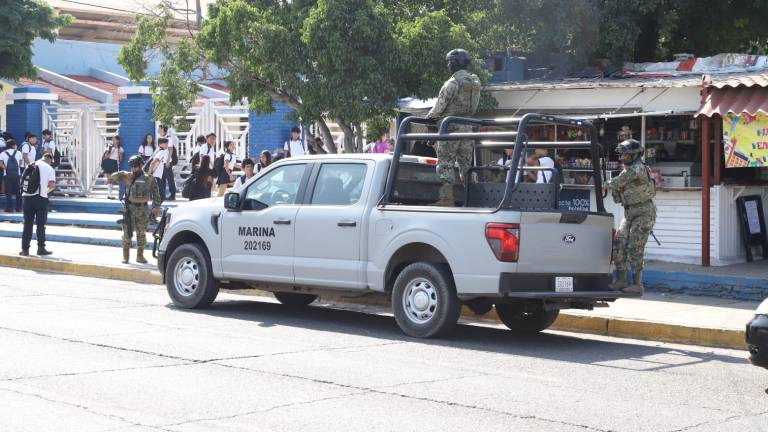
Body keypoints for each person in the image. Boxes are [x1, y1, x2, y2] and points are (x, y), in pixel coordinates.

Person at [426, 48, 481, 206]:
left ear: (454, 63)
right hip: (468, 128)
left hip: (450, 128)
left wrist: (428, 120)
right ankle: (474, 199)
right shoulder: (474, 81)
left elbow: (438, 108)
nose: (448, 66)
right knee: (466, 165)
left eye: (450, 62)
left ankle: (447, 199)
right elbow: (474, 106)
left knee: (445, 163)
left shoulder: (452, 82)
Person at [607, 139, 657, 294]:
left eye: (625, 155)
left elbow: (618, 182)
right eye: (621, 154)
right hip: (630, 213)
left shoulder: (637, 168)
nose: (622, 157)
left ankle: (637, 284)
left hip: (643, 212)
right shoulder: (628, 169)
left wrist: (604, 182)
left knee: (635, 246)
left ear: (635, 155)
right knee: (619, 243)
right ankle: (621, 280)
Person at [108, 155, 162, 264]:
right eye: (132, 166)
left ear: (141, 165)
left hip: (143, 209)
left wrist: (156, 208)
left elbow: (156, 194)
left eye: (136, 166)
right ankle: (125, 257)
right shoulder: (128, 177)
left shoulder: (149, 178)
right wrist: (122, 173)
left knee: (141, 233)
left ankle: (140, 256)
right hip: (129, 209)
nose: (134, 169)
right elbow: (111, 179)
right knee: (127, 233)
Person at [19, 152, 56, 256]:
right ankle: (41, 248)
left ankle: (25, 249)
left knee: (27, 224)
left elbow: (23, 181)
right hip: (40, 198)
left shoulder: (31, 164)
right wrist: (45, 192)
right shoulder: (49, 168)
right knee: (40, 224)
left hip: (26, 198)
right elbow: (52, 185)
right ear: (50, 160)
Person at [0, 139, 23, 212]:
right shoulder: (19, 152)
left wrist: (6, 168)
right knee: (18, 192)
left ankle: (9, 208)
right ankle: (19, 208)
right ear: (14, 145)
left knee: (8, 192)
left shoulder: (3, 153)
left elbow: (0, 164)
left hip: (7, 175)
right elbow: (20, 163)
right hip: (17, 174)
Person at [158, 125, 177, 201]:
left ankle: (172, 195)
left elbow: (171, 150)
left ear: (162, 129)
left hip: (167, 162)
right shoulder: (161, 138)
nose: (158, 130)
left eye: (159, 128)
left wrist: (168, 161)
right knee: (162, 179)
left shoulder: (168, 138)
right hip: (162, 162)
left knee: (170, 179)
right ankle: (163, 195)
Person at [148, 138, 169, 202]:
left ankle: (155, 210)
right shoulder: (162, 152)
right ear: (160, 144)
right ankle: (154, 210)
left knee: (159, 196)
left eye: (167, 143)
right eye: (165, 143)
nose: (166, 145)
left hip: (157, 176)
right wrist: (149, 173)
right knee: (161, 196)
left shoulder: (160, 151)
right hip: (156, 176)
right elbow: (153, 162)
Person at [105, 136, 124, 200]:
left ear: (118, 141)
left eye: (114, 139)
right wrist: (112, 152)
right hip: (109, 162)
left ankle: (110, 194)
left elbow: (121, 159)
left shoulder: (120, 148)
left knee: (112, 179)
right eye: (112, 139)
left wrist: (119, 153)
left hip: (115, 163)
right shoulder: (110, 147)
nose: (113, 141)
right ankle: (109, 194)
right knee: (109, 178)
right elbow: (106, 156)